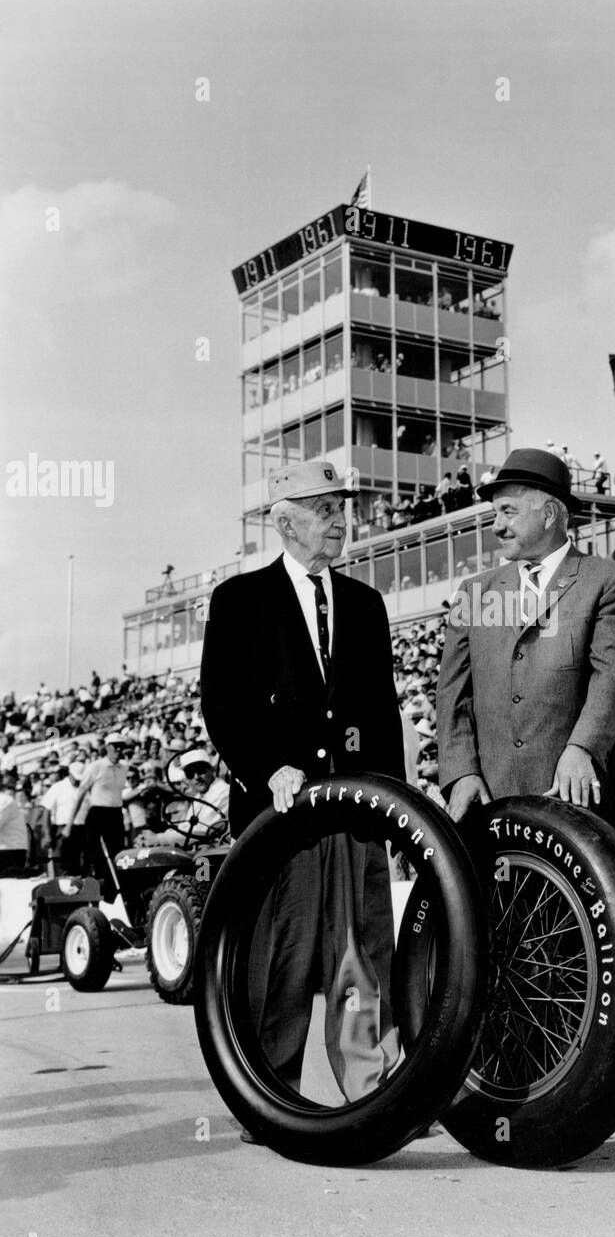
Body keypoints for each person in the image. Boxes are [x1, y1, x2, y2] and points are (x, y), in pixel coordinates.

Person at [200, 458, 405, 1108]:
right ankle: (271, 1098)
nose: (340, 520)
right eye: (326, 509)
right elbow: (221, 706)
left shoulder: (366, 605)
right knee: (281, 961)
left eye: (341, 507)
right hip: (278, 816)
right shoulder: (239, 600)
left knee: (361, 958)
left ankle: (369, 1092)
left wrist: (394, 807)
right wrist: (268, 768)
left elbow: (382, 715)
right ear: (286, 523)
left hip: (353, 813)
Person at [437, 447, 615, 830]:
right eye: (494, 513)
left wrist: (583, 748)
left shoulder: (608, 581)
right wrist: (461, 772)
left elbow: (613, 677)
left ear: (548, 514)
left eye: (508, 511)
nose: (496, 526)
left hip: (580, 806)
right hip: (491, 809)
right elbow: (453, 695)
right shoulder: (473, 592)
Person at [64, 734, 128, 887]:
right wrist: (69, 823)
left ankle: (114, 888)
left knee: (118, 854)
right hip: (97, 814)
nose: (118, 749)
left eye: (121, 746)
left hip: (116, 814)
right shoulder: (95, 767)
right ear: (107, 747)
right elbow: (80, 794)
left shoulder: (124, 767)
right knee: (94, 853)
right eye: (115, 746)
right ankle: (96, 884)